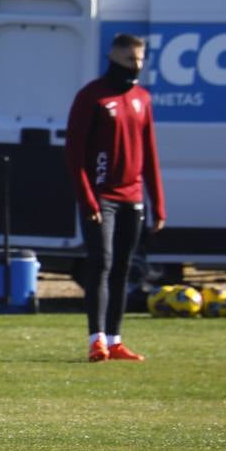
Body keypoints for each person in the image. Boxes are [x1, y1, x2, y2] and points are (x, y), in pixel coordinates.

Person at [64, 33, 165, 363]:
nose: (135, 67)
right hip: (101, 196)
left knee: (124, 267)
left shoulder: (142, 98)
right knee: (101, 263)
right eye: (129, 61)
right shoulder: (92, 97)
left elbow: (149, 154)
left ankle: (115, 339)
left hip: (132, 197)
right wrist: (88, 199)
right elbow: (75, 156)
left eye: (139, 61)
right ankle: (96, 340)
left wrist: (157, 203)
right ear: (113, 58)